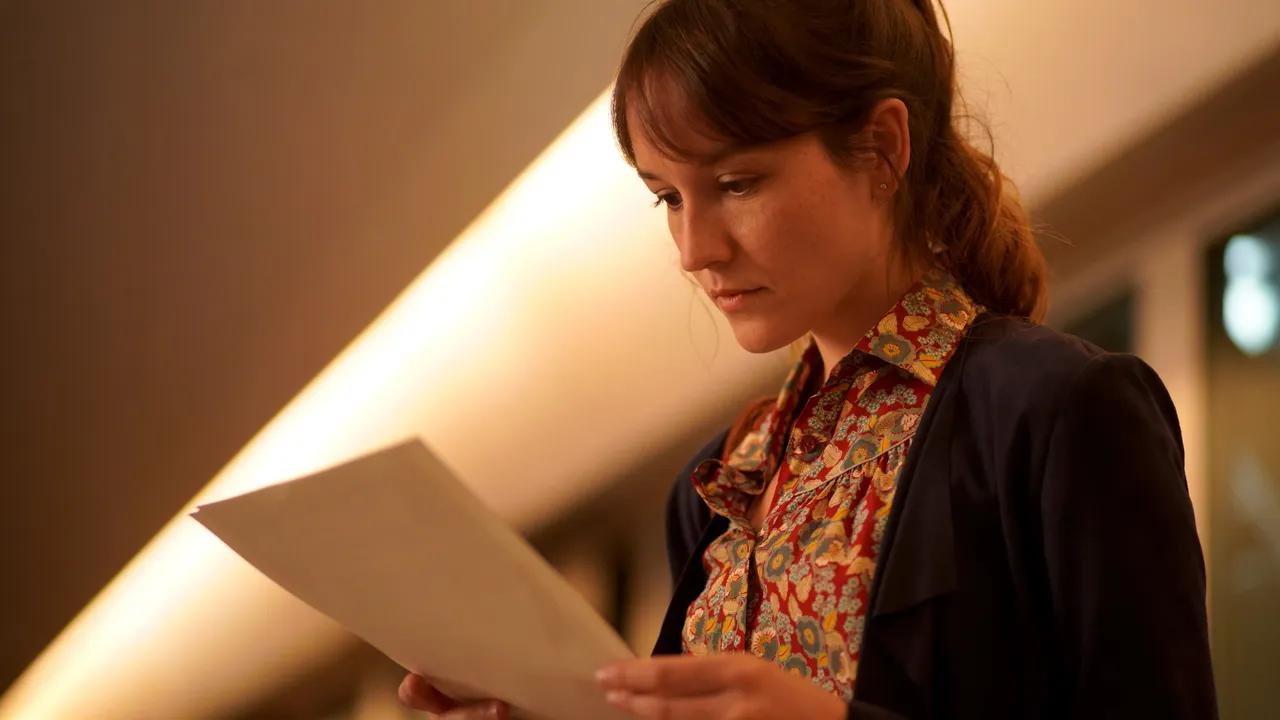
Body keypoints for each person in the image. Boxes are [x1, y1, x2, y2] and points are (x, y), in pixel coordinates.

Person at [400, 0, 1218, 717]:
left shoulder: (1062, 409)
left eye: (737, 182)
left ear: (883, 147)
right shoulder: (720, 484)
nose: (693, 250)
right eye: (668, 197)